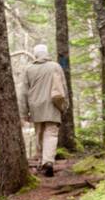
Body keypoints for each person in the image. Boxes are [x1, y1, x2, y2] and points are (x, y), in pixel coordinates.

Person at [18, 42, 69, 177]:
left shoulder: (29, 69)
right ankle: (48, 162)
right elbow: (63, 87)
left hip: (35, 107)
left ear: (35, 55)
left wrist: (23, 113)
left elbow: (23, 93)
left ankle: (42, 160)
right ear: (46, 53)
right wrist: (65, 105)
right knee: (51, 134)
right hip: (53, 105)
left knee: (39, 134)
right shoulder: (55, 67)